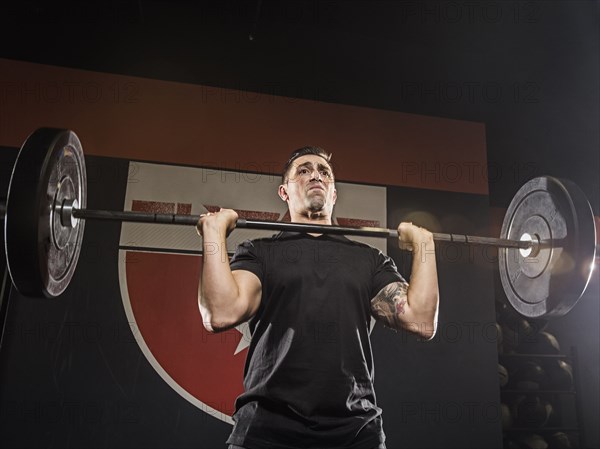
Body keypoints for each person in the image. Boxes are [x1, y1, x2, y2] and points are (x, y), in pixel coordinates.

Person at [196, 147, 439, 449]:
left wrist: (424, 245)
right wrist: (213, 234)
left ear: (334, 194)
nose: (316, 175)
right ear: (284, 192)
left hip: (354, 433)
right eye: (304, 170)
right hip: (267, 431)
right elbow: (219, 313)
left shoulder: (368, 260)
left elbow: (421, 320)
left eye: (324, 172)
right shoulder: (260, 252)